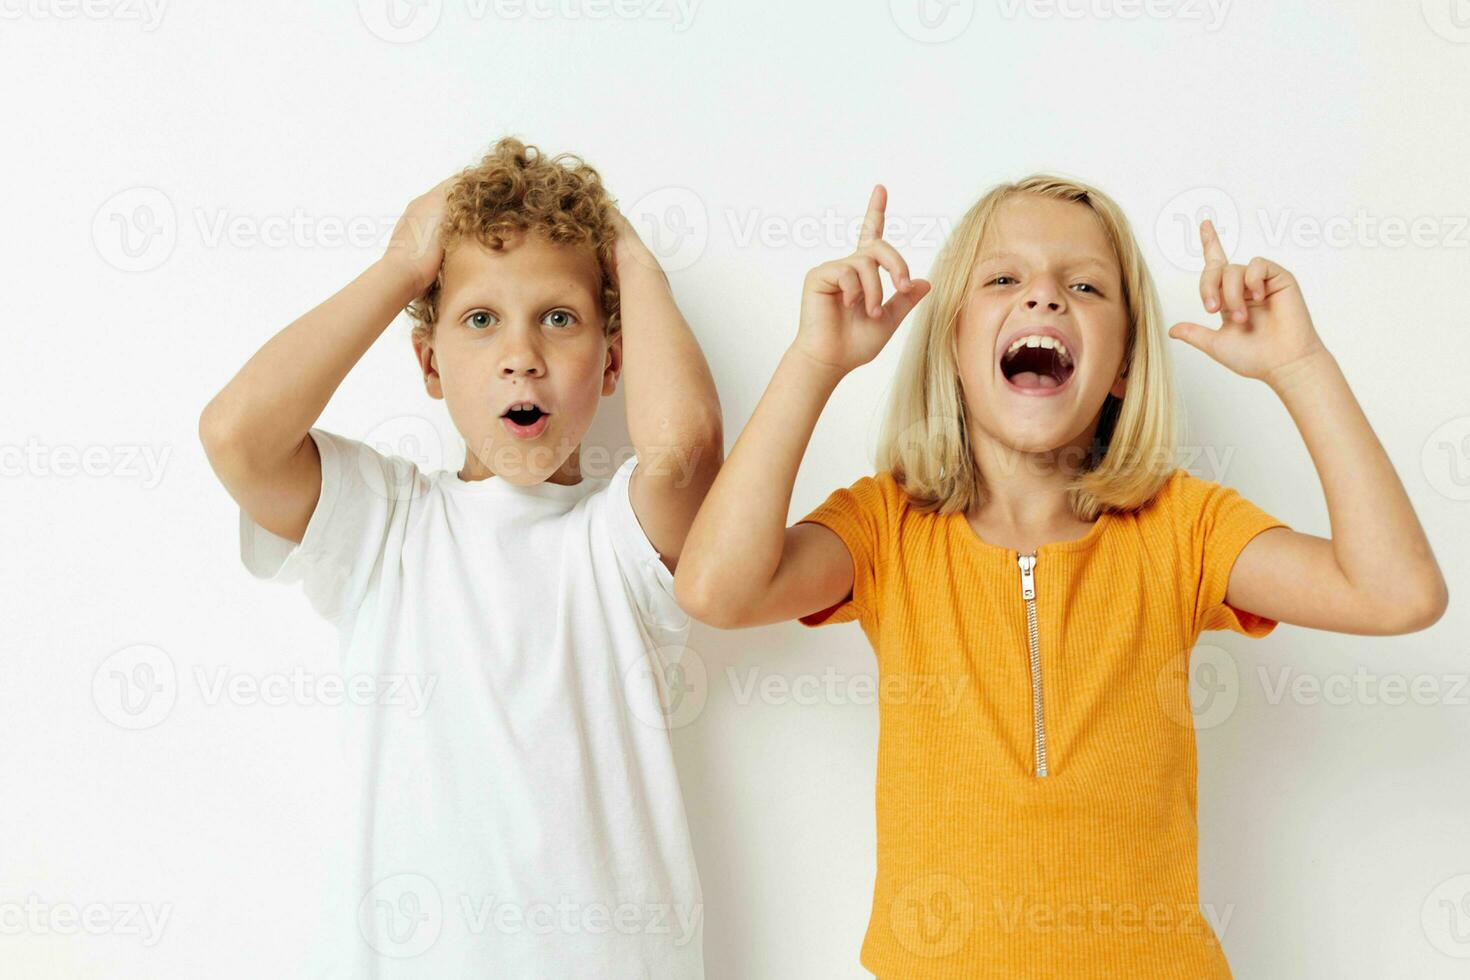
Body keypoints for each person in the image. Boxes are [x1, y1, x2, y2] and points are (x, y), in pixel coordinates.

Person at [673, 178, 1448, 978]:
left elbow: (1397, 594)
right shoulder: (887, 528)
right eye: (1004, 279)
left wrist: (1301, 365)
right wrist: (815, 360)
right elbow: (714, 591)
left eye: (1084, 286)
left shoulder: (1184, 528)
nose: (1044, 298)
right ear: (951, 347)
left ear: (1121, 367)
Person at [200, 137, 722, 978]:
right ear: (429, 363)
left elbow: (686, 450)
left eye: (560, 317)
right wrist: (402, 265)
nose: (522, 353)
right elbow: (239, 436)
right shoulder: (385, 525)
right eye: (482, 320)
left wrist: (632, 261)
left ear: (613, 361)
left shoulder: (619, 545)